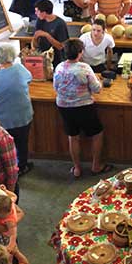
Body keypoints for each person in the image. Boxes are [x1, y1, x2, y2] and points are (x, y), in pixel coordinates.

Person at [53, 39, 112, 179]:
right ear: (80, 53)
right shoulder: (84, 68)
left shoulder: (59, 67)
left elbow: (55, 87)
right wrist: (100, 82)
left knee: (73, 137)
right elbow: (97, 89)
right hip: (84, 106)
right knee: (97, 134)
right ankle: (96, 165)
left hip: (64, 106)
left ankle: (77, 168)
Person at [0, 44, 34, 176]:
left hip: (0, 118)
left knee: (2, 144)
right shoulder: (19, 69)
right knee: (21, 142)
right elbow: (30, 78)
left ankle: (4, 167)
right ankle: (21, 166)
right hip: (22, 115)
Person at [32, 0, 69, 69]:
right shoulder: (40, 20)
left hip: (56, 58)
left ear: (44, 12)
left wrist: (47, 35)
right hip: (43, 55)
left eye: (37, 11)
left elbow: (61, 46)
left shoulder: (60, 24)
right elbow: (36, 37)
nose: (35, 13)